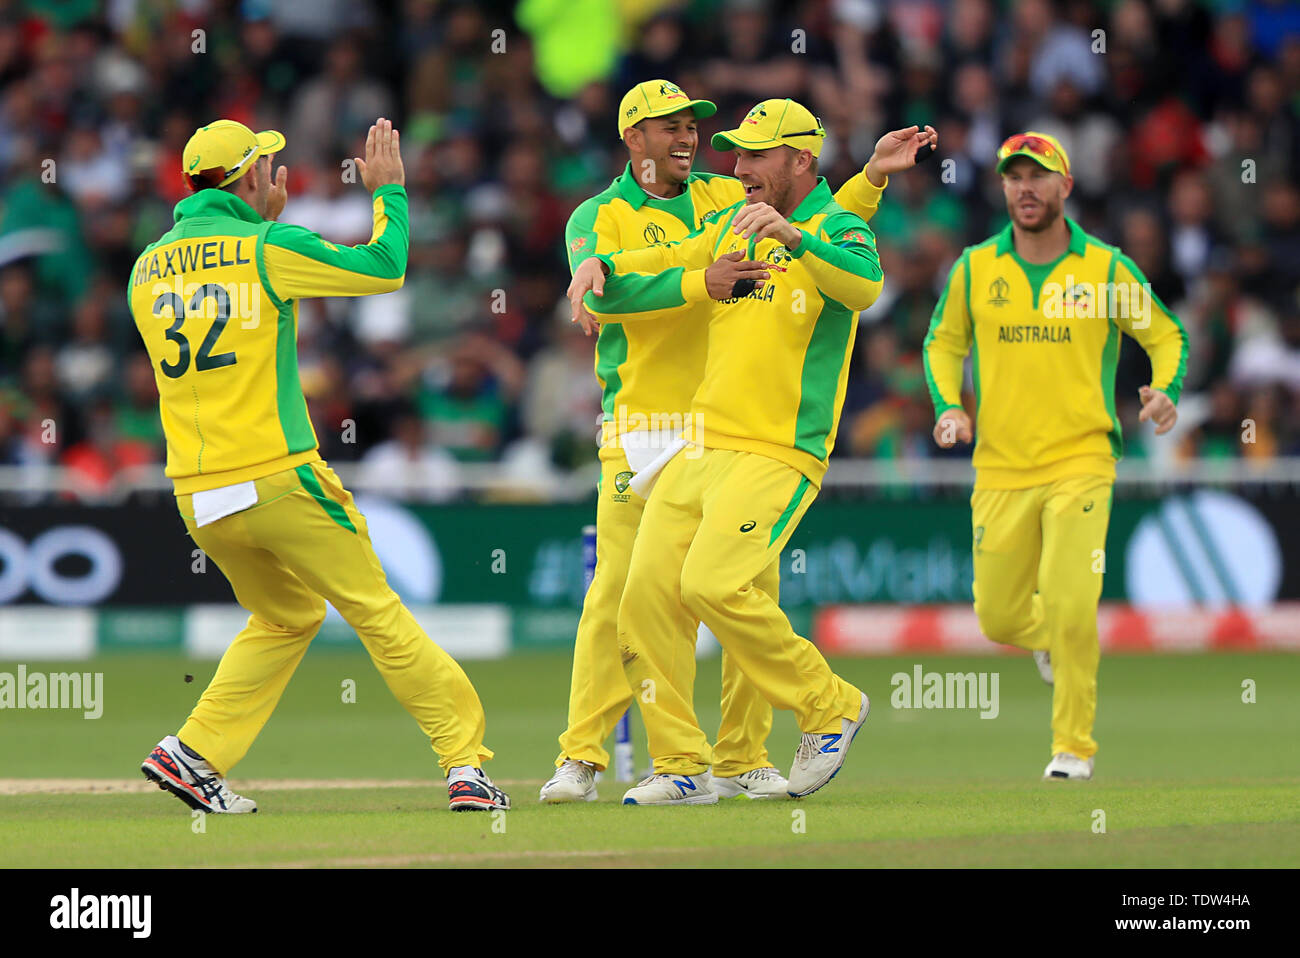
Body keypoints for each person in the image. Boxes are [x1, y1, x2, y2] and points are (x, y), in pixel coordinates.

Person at [543, 80, 934, 803]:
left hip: (778, 450)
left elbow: (864, 287)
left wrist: (806, 232)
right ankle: (684, 767)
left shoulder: (840, 232)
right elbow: (673, 263)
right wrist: (600, 267)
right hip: (700, 443)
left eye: (755, 154)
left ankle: (827, 707)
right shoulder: (734, 223)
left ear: (799, 158)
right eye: (736, 153)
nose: (737, 165)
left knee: (714, 585)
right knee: (640, 600)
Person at [130, 118, 508, 813]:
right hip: (279, 476)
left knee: (287, 614)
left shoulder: (145, 265)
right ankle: (465, 765)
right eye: (263, 167)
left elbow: (216, 291)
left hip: (198, 495)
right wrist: (390, 193)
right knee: (376, 611)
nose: (273, 175)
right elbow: (386, 268)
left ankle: (194, 753)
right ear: (246, 178)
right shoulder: (270, 246)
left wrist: (255, 222)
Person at [923, 131, 1189, 780]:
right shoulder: (976, 268)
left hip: (1083, 460)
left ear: (1065, 187)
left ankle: (1073, 748)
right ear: (1003, 187)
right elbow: (941, 344)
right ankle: (1049, 642)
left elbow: (1166, 334)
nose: (1025, 188)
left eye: (1038, 177)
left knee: (1072, 602)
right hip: (1001, 467)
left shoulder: (1104, 268)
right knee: (999, 615)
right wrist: (948, 406)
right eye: (1014, 177)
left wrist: (1166, 391)